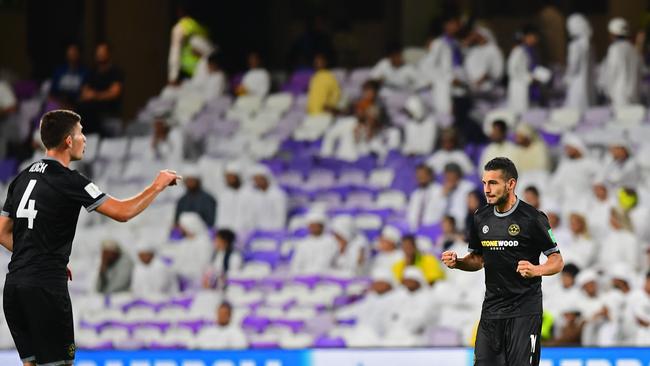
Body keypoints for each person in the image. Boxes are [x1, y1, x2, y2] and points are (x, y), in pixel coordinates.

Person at [0, 109, 179, 366]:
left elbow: (2, 231)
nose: (85, 139)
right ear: (68, 141)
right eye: (81, 133)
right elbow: (123, 212)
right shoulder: (70, 180)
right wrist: (157, 185)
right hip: (45, 289)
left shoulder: (22, 176)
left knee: (31, 364)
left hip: (14, 287)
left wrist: (41, 255)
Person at [442, 157, 564, 366]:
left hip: (524, 313)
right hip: (491, 312)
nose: (487, 189)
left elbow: (557, 260)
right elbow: (477, 260)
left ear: (511, 184)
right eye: (484, 183)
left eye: (493, 183)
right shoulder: (481, 217)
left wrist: (536, 270)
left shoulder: (532, 218)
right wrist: (459, 262)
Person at [78, 42, 124, 136]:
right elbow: (84, 93)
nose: (100, 55)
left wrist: (95, 95)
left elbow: (114, 93)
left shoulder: (116, 72)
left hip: (109, 114)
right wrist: (99, 95)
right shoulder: (91, 73)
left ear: (109, 54)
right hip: (90, 116)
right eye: (98, 52)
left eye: (103, 52)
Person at [421, 13, 464, 114]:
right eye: (453, 23)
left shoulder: (456, 42)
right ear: (446, 25)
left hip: (458, 82)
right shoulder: (439, 43)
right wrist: (449, 79)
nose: (456, 27)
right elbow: (430, 66)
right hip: (445, 84)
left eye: (457, 24)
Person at [598, 18, 642, 107]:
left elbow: (611, 72)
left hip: (620, 94)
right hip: (634, 93)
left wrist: (607, 90)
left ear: (613, 34)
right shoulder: (633, 49)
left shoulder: (614, 49)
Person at [167, 5, 209, 84]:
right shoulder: (200, 27)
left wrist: (173, 76)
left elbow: (175, 51)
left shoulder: (180, 28)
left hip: (192, 73)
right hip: (203, 72)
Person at [507, 25, 544, 113]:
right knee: (520, 111)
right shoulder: (518, 51)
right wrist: (529, 78)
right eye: (534, 37)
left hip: (527, 85)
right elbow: (512, 70)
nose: (536, 40)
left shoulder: (527, 51)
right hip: (520, 85)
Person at [564, 14, 594, 111]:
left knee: (574, 111)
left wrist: (566, 78)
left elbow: (573, 67)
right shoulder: (589, 45)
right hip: (588, 85)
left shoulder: (574, 45)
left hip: (576, 84)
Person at [464, 25, 504, 94]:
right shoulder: (473, 50)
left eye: (476, 35)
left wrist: (483, 78)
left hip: (491, 92)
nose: (474, 37)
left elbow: (497, 70)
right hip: (475, 91)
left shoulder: (494, 50)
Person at [173, 165, 217, 229]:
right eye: (188, 181)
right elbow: (177, 222)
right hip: (184, 235)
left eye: (192, 180)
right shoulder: (182, 200)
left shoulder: (208, 199)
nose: (190, 183)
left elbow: (211, 222)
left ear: (198, 181)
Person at [406, 164, 445, 230]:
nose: (420, 177)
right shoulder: (415, 194)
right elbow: (411, 215)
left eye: (422, 174)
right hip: (415, 229)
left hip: (432, 229)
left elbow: (442, 212)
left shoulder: (439, 190)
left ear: (430, 175)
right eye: (418, 174)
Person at [49, 43, 87, 108]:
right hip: (58, 105)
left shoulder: (85, 72)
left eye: (75, 51)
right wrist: (59, 104)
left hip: (76, 106)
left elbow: (85, 94)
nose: (73, 53)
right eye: (70, 51)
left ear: (79, 53)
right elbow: (51, 94)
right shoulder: (59, 71)